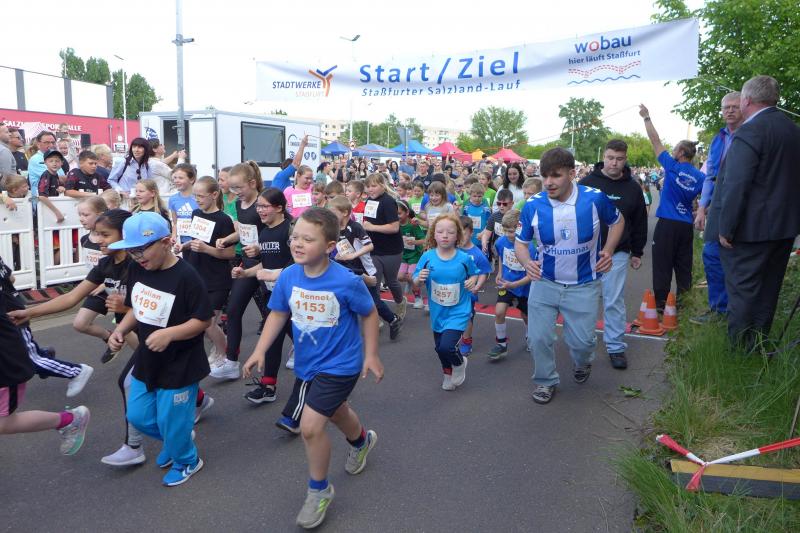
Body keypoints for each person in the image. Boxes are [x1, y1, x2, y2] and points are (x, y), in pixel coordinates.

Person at [242, 207, 383, 530]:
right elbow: (278, 313)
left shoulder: (346, 281)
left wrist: (372, 354)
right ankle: (362, 442)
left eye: (308, 239)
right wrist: (260, 350)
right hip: (308, 364)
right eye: (295, 237)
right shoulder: (289, 276)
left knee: (310, 427)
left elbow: (370, 313)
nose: (298, 244)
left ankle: (319, 490)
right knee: (336, 412)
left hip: (341, 365)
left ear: (330, 246)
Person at [107, 211, 213, 486]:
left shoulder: (187, 276)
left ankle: (187, 460)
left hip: (181, 363)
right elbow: (137, 308)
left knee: (171, 420)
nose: (137, 256)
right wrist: (120, 330)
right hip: (148, 358)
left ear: (166, 242)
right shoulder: (137, 269)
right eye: (131, 251)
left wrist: (169, 334)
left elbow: (203, 320)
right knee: (138, 415)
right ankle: (177, 440)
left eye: (142, 249)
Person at [515, 147, 624, 405]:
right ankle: (545, 380)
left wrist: (608, 250)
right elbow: (520, 243)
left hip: (584, 284)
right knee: (538, 337)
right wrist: (527, 262)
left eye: (556, 175)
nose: (548, 182)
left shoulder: (594, 199)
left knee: (583, 343)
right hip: (545, 282)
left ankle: (583, 362)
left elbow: (618, 221)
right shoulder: (533, 205)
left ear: (572, 174)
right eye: (545, 176)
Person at [708, 76, 800, 349]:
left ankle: (740, 350)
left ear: (746, 100)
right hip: (784, 229)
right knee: (768, 290)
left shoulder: (750, 132)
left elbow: (736, 184)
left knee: (743, 291)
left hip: (749, 231)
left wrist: (726, 227)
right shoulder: (793, 130)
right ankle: (758, 343)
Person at [0, 260, 89, 455]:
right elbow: (10, 277)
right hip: (13, 324)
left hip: (6, 360)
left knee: (4, 422)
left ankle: (69, 419)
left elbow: (74, 296)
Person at [578, 139, 648, 370]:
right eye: (610, 158)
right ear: (603, 157)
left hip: (618, 252)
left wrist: (637, 251)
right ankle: (582, 343)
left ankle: (615, 346)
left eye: (619, 159)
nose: (614, 163)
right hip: (586, 252)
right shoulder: (587, 183)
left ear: (625, 160)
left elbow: (640, 221)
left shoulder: (633, 188)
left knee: (613, 300)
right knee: (584, 299)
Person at [640, 104, 705, 311]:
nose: (672, 150)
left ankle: (661, 305)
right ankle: (685, 305)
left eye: (675, 148)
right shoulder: (701, 177)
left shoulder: (672, 165)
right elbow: (709, 197)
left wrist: (647, 117)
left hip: (667, 224)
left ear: (681, 153)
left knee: (662, 265)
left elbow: (655, 140)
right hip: (685, 225)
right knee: (684, 266)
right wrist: (700, 210)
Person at [231, 187, 294, 403]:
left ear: (279, 208)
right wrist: (245, 273)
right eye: (258, 206)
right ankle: (268, 386)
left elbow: (296, 263)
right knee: (273, 339)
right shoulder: (265, 232)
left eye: (264, 206)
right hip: (272, 296)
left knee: (303, 339)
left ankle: (325, 375)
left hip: (293, 298)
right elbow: (264, 265)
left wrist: (277, 274)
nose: (259, 210)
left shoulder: (289, 230)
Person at [691, 92, 743, 325]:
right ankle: (719, 310)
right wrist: (702, 208)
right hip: (719, 204)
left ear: (744, 107)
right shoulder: (719, 138)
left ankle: (738, 312)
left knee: (737, 257)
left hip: (743, 204)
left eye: (734, 106)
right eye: (726, 107)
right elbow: (710, 175)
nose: (730, 111)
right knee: (711, 254)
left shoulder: (750, 134)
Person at [212, 162, 268, 379]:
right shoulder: (239, 204)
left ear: (252, 183)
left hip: (268, 265)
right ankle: (231, 362)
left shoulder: (263, 204)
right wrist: (227, 239)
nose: (235, 192)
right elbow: (244, 232)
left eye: (238, 187)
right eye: (232, 188)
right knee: (234, 310)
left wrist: (260, 247)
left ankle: (299, 350)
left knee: (277, 315)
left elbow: (278, 232)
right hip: (247, 264)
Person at [413, 214, 479, 390]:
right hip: (438, 312)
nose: (445, 235)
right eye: (440, 231)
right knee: (439, 348)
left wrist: (472, 281)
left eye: (450, 232)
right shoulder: (427, 257)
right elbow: (415, 280)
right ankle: (447, 375)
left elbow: (474, 273)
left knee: (447, 346)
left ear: (457, 236)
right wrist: (418, 278)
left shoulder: (464, 258)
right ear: (433, 234)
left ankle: (459, 363)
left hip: (459, 310)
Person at [328, 196, 403, 339]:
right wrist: (335, 256)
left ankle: (393, 319)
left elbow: (370, 246)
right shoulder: (333, 229)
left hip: (365, 271)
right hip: (347, 271)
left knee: (373, 302)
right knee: (343, 301)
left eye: (333, 212)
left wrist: (353, 255)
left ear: (345, 212)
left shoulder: (356, 227)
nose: (330, 215)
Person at [180, 176, 235, 366]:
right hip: (196, 274)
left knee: (208, 323)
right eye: (195, 196)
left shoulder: (224, 220)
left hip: (217, 278)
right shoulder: (196, 213)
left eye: (201, 196)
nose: (197, 200)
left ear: (214, 194)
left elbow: (229, 253)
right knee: (200, 322)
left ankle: (224, 354)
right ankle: (221, 345)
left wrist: (207, 249)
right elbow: (196, 240)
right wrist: (184, 246)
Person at [488, 210, 535, 360]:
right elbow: (502, 256)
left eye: (512, 231)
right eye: (506, 231)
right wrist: (500, 273)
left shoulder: (530, 248)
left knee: (526, 315)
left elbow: (532, 275)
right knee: (499, 312)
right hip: (507, 282)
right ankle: (501, 344)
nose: (509, 234)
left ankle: (530, 336)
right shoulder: (500, 242)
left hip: (524, 286)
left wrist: (514, 285)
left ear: (520, 228)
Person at [362, 173, 407, 319]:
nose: (370, 189)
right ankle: (377, 315)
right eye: (368, 186)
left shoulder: (388, 201)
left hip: (391, 250)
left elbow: (394, 227)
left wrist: (371, 227)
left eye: (374, 186)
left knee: (391, 281)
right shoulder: (369, 200)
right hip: (374, 249)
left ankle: (400, 301)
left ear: (382, 185)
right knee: (374, 283)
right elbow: (368, 221)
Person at [456, 215, 491, 357]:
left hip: (468, 293)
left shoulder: (477, 253)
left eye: (463, 233)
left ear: (471, 232)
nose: (460, 237)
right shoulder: (452, 249)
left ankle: (466, 341)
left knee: (467, 317)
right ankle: (454, 337)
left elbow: (483, 272)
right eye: (457, 233)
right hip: (453, 291)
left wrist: (477, 286)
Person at [107, 137, 172, 196]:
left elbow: (149, 183)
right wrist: (120, 191)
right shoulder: (123, 162)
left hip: (141, 200)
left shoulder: (148, 165)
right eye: (134, 147)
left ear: (146, 149)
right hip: (125, 200)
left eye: (140, 147)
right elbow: (111, 180)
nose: (136, 150)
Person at [397, 200, 427, 310]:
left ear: (407, 213)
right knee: (400, 277)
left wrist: (414, 242)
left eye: (399, 213)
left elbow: (424, 240)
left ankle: (418, 298)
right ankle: (410, 281)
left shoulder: (413, 225)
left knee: (412, 277)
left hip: (415, 255)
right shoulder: (395, 225)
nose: (397, 216)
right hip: (404, 255)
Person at [168, 164, 199, 251]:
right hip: (183, 243)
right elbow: (175, 223)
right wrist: (174, 236)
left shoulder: (199, 197)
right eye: (175, 178)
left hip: (198, 243)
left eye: (180, 178)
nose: (176, 181)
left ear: (192, 179)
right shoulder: (173, 199)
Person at [37, 149, 68, 223]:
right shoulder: (46, 175)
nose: (54, 163)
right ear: (45, 162)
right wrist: (57, 212)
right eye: (51, 161)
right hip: (46, 211)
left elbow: (56, 188)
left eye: (57, 161)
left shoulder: (55, 175)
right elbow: (42, 196)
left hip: (51, 209)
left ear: (62, 163)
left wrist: (61, 188)